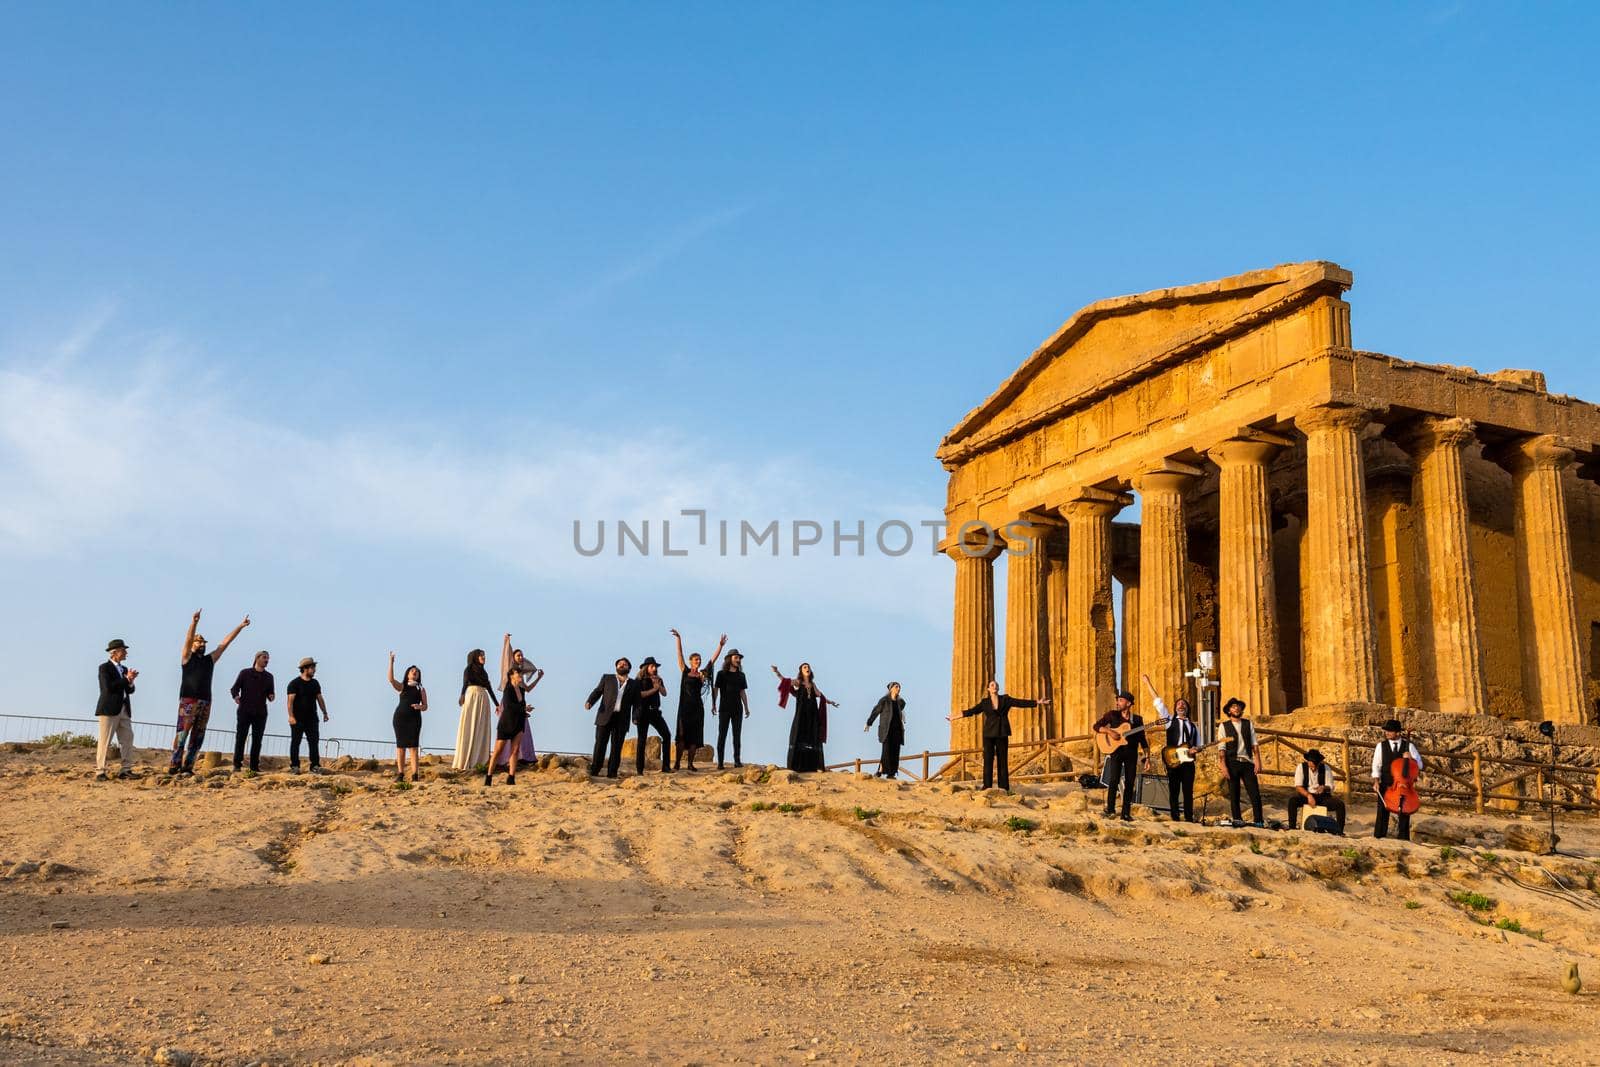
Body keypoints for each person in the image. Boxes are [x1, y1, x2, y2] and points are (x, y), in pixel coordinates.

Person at [172, 610, 249, 775]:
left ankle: (188, 766)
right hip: (188, 701)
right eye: (198, 642)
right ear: (193, 644)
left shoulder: (210, 660)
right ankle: (175, 764)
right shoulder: (187, 657)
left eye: (203, 643)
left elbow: (224, 644)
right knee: (182, 735)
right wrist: (194, 623)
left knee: (198, 736)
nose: (202, 644)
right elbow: (187, 641)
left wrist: (240, 627)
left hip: (205, 701)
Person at [948, 681, 1049, 792]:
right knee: (988, 760)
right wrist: (954, 717)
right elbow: (972, 711)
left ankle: (1004, 787)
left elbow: (1020, 703)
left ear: (998, 688)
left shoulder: (1005, 699)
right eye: (992, 685)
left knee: (1002, 760)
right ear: (988, 689)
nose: (994, 686)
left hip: (1002, 732)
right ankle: (987, 786)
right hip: (989, 734)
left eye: (996, 685)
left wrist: (1037, 702)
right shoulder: (985, 702)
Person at [671, 629, 726, 772]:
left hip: (697, 709)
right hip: (684, 708)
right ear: (691, 661)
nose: (698, 661)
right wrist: (679, 639)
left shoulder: (702, 674)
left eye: (699, 660)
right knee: (681, 736)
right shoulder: (685, 671)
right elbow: (680, 655)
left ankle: (690, 763)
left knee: (695, 737)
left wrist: (720, 646)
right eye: (696, 659)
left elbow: (712, 661)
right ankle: (677, 763)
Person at [1095, 689, 1153, 821]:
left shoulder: (1137, 719)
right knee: (1113, 779)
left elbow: (1142, 740)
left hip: (1131, 754)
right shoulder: (1112, 715)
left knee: (1130, 782)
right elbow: (1097, 726)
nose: (1118, 702)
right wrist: (1110, 732)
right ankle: (1110, 809)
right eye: (1118, 700)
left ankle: (1125, 813)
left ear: (1128, 703)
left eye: (1120, 700)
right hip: (1116, 752)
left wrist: (1147, 758)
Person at [1145, 674, 1197, 822]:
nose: (1181, 705)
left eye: (1183, 704)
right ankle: (1175, 816)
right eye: (1178, 704)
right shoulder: (1169, 721)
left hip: (1188, 761)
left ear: (1187, 708)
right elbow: (1158, 703)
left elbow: (1198, 744)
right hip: (1173, 759)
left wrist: (1196, 749)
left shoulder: (1193, 726)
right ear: (1175, 708)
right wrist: (1148, 682)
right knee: (1174, 790)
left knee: (1188, 791)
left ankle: (1188, 817)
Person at [775, 663, 838, 773]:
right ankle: (797, 766)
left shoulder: (813, 684)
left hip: (813, 714)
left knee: (813, 736)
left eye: (808, 667)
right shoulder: (798, 682)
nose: (807, 668)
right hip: (801, 715)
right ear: (801, 671)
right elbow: (786, 682)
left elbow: (820, 695)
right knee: (799, 735)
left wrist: (830, 702)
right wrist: (777, 673)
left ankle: (815, 765)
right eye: (804, 667)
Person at [496, 634, 543, 770]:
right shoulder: (509, 672)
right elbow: (505, 658)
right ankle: (504, 760)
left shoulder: (520, 676)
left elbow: (527, 689)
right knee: (507, 732)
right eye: (518, 655)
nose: (520, 657)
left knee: (523, 730)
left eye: (522, 655)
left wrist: (539, 678)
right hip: (509, 704)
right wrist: (506, 642)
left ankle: (524, 757)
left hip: (520, 705)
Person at [1371, 719, 1424, 841]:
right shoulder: (1381, 746)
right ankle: (1379, 837)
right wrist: (1375, 781)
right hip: (1385, 783)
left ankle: (1403, 839)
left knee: (1405, 811)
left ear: (1398, 732)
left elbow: (1420, 765)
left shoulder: (1409, 746)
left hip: (1404, 785)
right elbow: (1376, 765)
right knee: (1382, 811)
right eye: (1386, 731)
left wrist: (1411, 759)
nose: (1387, 733)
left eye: (1390, 731)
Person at [94, 639, 138, 781]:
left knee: (127, 738)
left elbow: (129, 690)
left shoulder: (124, 669)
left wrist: (130, 682)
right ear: (114, 653)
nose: (126, 653)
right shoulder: (104, 668)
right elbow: (108, 688)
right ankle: (100, 771)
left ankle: (126, 769)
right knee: (105, 740)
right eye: (123, 650)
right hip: (109, 709)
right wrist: (126, 680)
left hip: (124, 709)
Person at [1218, 697, 1264, 826]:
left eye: (1238, 706)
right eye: (1233, 706)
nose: (1236, 708)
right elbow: (1222, 747)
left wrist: (1258, 761)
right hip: (1232, 761)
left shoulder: (1247, 724)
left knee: (1254, 793)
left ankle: (1259, 820)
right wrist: (1223, 765)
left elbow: (1254, 743)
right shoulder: (1224, 726)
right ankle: (1237, 819)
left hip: (1247, 761)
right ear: (1229, 710)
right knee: (1234, 793)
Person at [584, 657, 633, 778]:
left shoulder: (633, 684)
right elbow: (597, 691)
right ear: (616, 667)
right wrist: (590, 701)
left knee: (616, 747)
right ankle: (595, 770)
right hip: (604, 716)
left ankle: (612, 773)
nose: (622, 665)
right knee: (600, 744)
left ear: (629, 668)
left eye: (625, 664)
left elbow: (636, 702)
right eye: (620, 664)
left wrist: (636, 717)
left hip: (621, 719)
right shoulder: (607, 678)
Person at [229, 651, 275, 773]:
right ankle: (237, 765)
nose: (267, 660)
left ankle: (254, 766)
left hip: (260, 712)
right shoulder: (245, 673)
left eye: (268, 658)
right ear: (257, 658)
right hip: (245, 710)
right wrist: (236, 697)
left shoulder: (269, 677)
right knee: (241, 738)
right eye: (264, 658)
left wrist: (271, 696)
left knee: (257, 740)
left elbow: (271, 692)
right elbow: (234, 688)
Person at [453, 649, 499, 772]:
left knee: (481, 728)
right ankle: (465, 760)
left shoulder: (484, 673)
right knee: (469, 725)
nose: (483, 657)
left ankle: (479, 760)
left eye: (484, 655)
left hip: (483, 698)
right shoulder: (468, 669)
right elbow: (465, 683)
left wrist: (497, 704)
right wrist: (462, 695)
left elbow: (489, 688)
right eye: (481, 655)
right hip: (472, 696)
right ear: (475, 657)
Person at [387, 654, 428, 782]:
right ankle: (400, 774)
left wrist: (419, 706)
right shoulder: (403, 686)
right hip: (400, 718)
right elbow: (391, 680)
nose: (415, 672)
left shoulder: (420, 688)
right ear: (408, 674)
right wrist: (391, 662)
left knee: (414, 747)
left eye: (417, 672)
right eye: (412, 671)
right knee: (400, 747)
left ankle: (415, 776)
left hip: (414, 720)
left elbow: (426, 706)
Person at [487, 664, 529, 786]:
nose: (520, 675)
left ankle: (511, 777)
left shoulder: (521, 690)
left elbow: (520, 707)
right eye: (518, 673)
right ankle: (489, 776)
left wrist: (525, 712)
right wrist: (523, 708)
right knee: (498, 750)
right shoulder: (508, 689)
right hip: (506, 723)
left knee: (515, 750)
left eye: (521, 673)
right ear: (512, 676)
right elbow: (509, 706)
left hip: (519, 722)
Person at [286, 657, 329, 774]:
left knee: (314, 742)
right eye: (312, 667)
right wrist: (291, 716)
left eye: (314, 667)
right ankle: (294, 766)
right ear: (305, 668)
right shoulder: (294, 683)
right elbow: (290, 702)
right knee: (296, 742)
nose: (314, 670)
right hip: (297, 719)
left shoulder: (315, 683)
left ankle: (315, 766)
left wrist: (325, 712)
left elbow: (320, 698)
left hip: (312, 719)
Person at [1289, 749, 1346, 832]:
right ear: (1308, 762)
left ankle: (1339, 831)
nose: (1314, 768)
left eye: (1316, 766)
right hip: (1306, 795)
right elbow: (1298, 786)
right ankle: (1292, 828)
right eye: (1311, 766)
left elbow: (1330, 786)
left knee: (1340, 805)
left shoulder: (1326, 768)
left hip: (1322, 797)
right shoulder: (1301, 767)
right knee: (1292, 801)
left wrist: (1324, 787)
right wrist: (1309, 795)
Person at [711, 648, 750, 769]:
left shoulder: (741, 675)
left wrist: (746, 707)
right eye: (736, 658)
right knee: (722, 735)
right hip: (724, 709)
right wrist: (713, 704)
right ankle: (720, 763)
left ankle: (737, 761)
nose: (738, 660)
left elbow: (742, 692)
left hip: (737, 709)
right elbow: (716, 689)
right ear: (729, 659)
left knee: (737, 735)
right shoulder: (721, 674)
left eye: (739, 658)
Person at [632, 658, 672, 774]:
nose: (654, 668)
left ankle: (666, 766)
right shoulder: (639, 680)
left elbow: (664, 693)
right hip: (643, 712)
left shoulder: (658, 679)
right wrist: (653, 689)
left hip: (655, 712)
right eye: (652, 666)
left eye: (655, 667)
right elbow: (640, 695)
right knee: (642, 740)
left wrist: (658, 686)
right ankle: (640, 770)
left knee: (667, 735)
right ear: (646, 668)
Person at [864, 682, 907, 778]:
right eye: (896, 687)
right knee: (886, 751)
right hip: (886, 730)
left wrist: (898, 698)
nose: (898, 688)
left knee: (895, 752)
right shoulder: (884, 700)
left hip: (897, 730)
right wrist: (868, 723)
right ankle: (880, 770)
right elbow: (875, 711)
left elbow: (903, 704)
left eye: (899, 687)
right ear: (891, 688)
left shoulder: (899, 702)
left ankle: (891, 773)